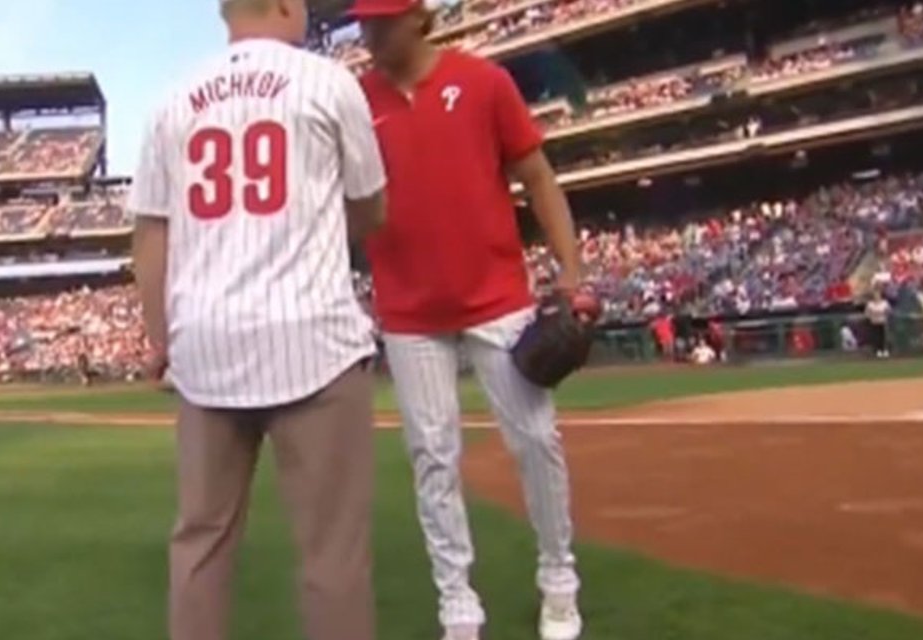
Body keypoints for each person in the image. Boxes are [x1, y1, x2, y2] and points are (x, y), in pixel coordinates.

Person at [126, 0, 388, 637]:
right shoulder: (329, 81)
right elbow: (371, 208)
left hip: (207, 345)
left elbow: (150, 239)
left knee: (199, 545)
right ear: (284, 7)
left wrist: (161, 340)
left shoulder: (172, 101)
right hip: (315, 340)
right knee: (332, 555)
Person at [349, 1, 584, 638]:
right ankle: (457, 600)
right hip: (409, 311)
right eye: (362, 21)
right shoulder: (353, 100)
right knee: (432, 457)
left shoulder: (483, 82)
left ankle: (559, 580)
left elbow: (537, 176)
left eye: (382, 20)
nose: (368, 32)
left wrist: (570, 272)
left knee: (536, 439)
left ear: (417, 18)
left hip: (497, 298)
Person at [865, 289, 891, 358]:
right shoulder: (870, 304)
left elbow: (889, 311)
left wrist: (883, 313)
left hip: (883, 321)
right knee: (876, 337)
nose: (877, 297)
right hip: (874, 322)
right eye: (875, 295)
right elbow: (867, 313)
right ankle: (878, 350)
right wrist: (872, 315)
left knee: (883, 336)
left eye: (878, 295)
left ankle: (885, 350)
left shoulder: (884, 303)